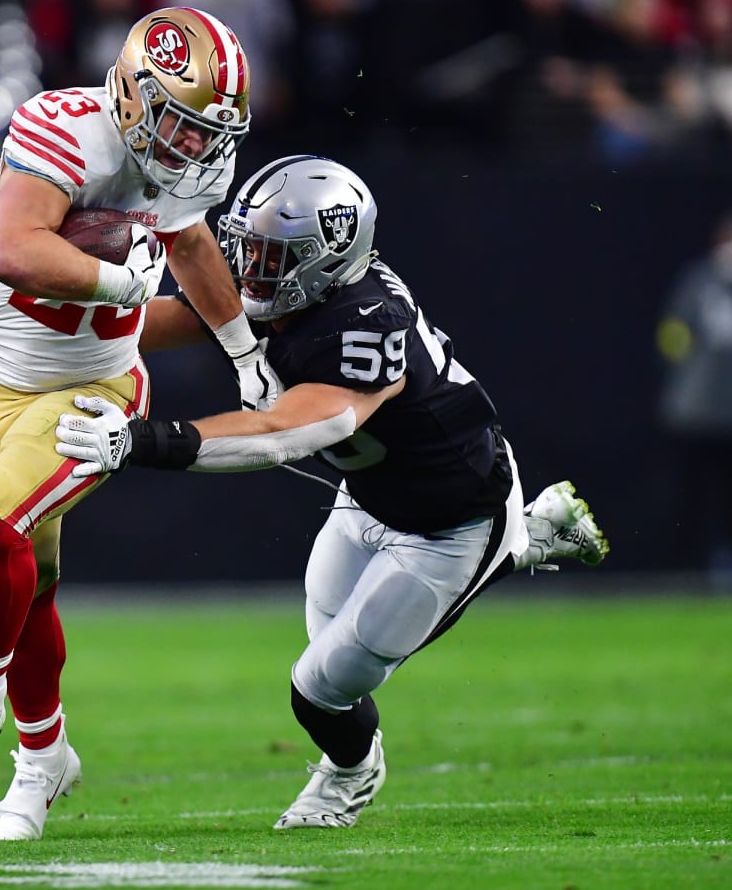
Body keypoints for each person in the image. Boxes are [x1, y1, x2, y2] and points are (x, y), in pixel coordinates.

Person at [52, 155, 610, 829]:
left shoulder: (362, 325)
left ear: (325, 260)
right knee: (326, 647)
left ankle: (350, 772)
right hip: (371, 497)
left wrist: (138, 441)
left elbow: (282, 434)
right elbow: (186, 314)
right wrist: (55, 331)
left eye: (270, 256)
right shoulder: (302, 287)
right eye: (247, 249)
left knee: (321, 688)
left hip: (452, 520)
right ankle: (531, 537)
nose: (249, 268)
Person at [0, 7, 279, 842]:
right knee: (24, 581)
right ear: (131, 91)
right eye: (180, 124)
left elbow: (188, 248)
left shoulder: (188, 166)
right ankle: (43, 762)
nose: (191, 149)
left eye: (207, 133)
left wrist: (244, 351)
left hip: (97, 387)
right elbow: (6, 250)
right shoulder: (64, 129)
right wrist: (123, 284)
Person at [655, 209, 732, 584]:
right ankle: (691, 565)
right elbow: (671, 335)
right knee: (696, 492)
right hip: (698, 410)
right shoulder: (698, 281)